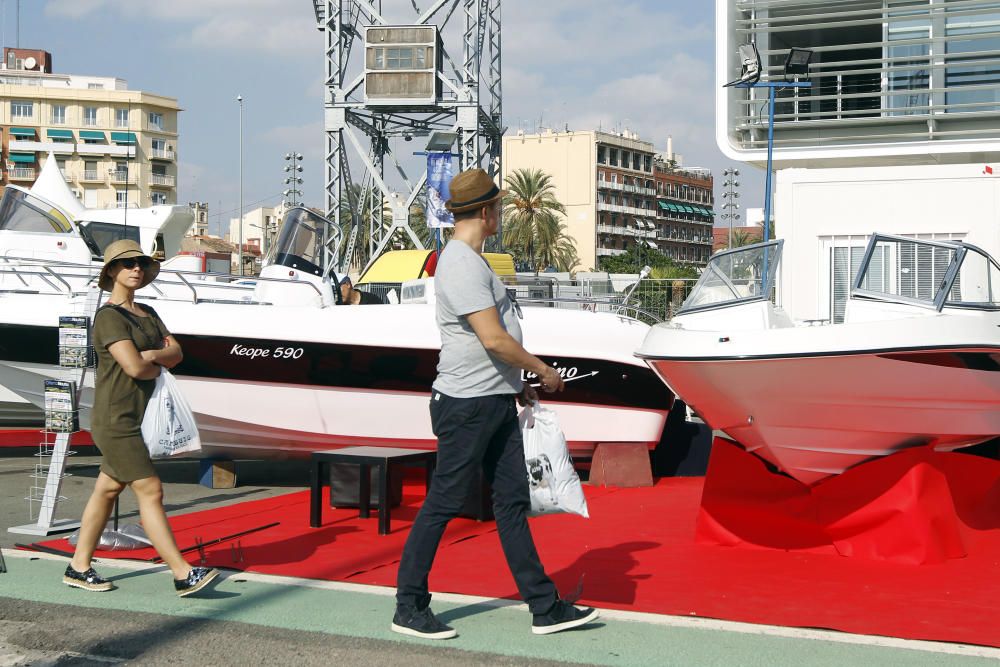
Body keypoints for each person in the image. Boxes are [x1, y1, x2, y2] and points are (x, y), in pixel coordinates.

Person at [391, 169, 599, 639]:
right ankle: (409, 605)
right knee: (444, 502)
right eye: (499, 207)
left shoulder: (472, 260)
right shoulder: (461, 263)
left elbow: (491, 346)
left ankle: (544, 607)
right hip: (466, 407)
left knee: (511, 502)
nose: (500, 213)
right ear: (486, 212)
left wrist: (512, 385)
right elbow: (493, 338)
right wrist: (542, 371)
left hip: (492, 400)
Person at [63, 239, 219, 597]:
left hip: (141, 415)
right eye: (128, 263)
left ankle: (78, 566)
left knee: (107, 490)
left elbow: (177, 353)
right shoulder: (108, 317)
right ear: (112, 272)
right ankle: (182, 573)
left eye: (141, 263)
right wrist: (153, 359)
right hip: (116, 420)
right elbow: (134, 367)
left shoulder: (147, 312)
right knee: (150, 488)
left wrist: (151, 354)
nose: (136, 268)